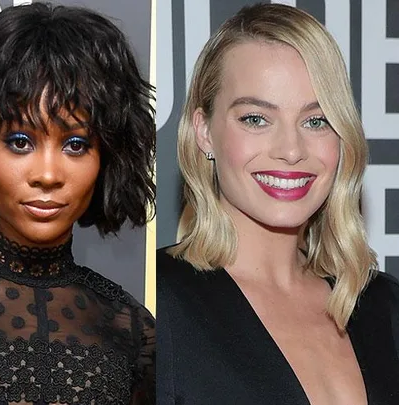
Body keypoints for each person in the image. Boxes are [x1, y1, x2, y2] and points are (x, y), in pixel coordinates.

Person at [0, 3, 155, 404]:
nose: (47, 174)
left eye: (76, 144)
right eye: (20, 141)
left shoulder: (132, 329)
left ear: (107, 157)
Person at [157, 3, 399, 405]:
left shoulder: (383, 305)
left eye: (316, 121)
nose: (290, 150)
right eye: (255, 118)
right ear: (204, 132)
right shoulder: (153, 305)